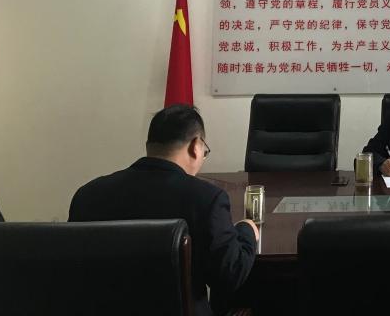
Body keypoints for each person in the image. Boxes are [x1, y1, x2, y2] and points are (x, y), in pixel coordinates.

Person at [69, 105, 258, 316]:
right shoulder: (206, 198)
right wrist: (247, 231)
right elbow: (230, 276)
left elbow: (74, 273)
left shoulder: (88, 195)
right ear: (196, 146)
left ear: (149, 146)